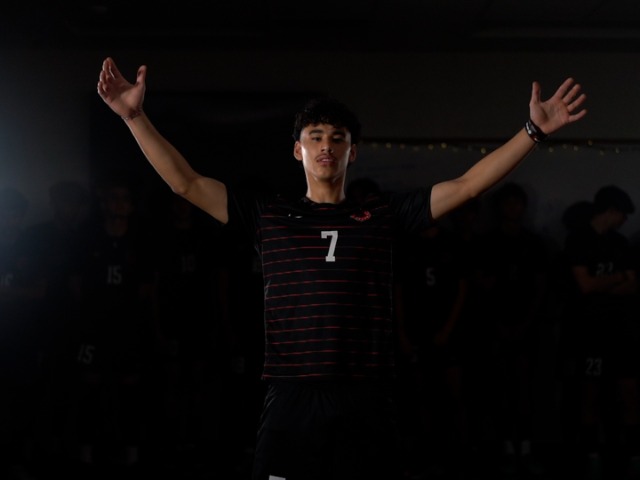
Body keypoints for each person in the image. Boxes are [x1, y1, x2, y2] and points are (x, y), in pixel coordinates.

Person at [96, 56, 587, 480]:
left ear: (353, 151)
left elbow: (467, 186)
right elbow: (185, 183)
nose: (326, 145)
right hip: (292, 394)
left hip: (365, 395)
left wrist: (532, 132)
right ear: (298, 150)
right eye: (315, 137)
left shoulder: (383, 215)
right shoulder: (269, 215)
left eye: (337, 137)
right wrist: (134, 117)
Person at [560, 185, 640, 480]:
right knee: (589, 394)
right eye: (622, 214)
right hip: (589, 330)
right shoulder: (578, 240)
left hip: (621, 329)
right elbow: (585, 285)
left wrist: (602, 283)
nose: (624, 220)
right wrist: (617, 278)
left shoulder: (620, 243)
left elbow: (632, 284)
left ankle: (632, 455)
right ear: (612, 211)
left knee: (628, 391)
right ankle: (591, 454)